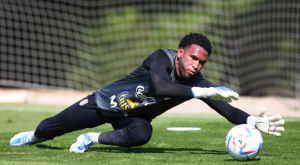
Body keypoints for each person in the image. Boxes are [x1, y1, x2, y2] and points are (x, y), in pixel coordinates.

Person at [10, 33, 285, 153]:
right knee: (49, 128)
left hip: (132, 118)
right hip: (103, 103)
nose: (196, 65)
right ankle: (33, 136)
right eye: (193, 58)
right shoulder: (160, 58)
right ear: (180, 53)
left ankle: (90, 138)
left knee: (142, 134)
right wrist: (202, 92)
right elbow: (163, 86)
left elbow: (224, 108)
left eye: (201, 62)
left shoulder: (198, 82)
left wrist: (250, 121)